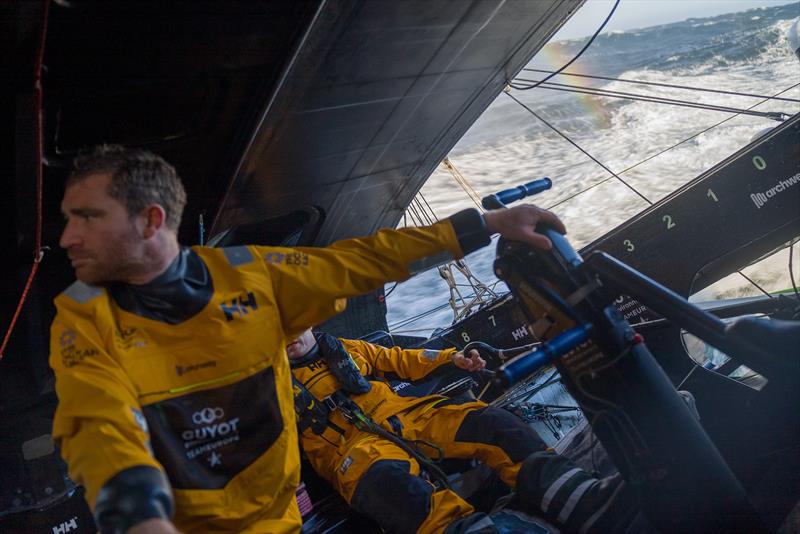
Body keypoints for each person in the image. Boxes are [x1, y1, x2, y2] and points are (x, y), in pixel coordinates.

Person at [49, 144, 569, 534]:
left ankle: (572, 498)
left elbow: (366, 261)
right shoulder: (83, 317)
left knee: (494, 426)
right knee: (389, 486)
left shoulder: (252, 276)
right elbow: (95, 427)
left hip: (288, 511)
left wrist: (490, 222)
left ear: (150, 221)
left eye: (87, 219)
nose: (68, 238)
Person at [288, 329, 635, 534]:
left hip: (409, 417)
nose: (289, 336)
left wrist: (453, 358)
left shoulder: (347, 347)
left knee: (494, 423)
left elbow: (400, 359)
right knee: (390, 488)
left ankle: (581, 502)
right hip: (354, 452)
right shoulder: (267, 387)